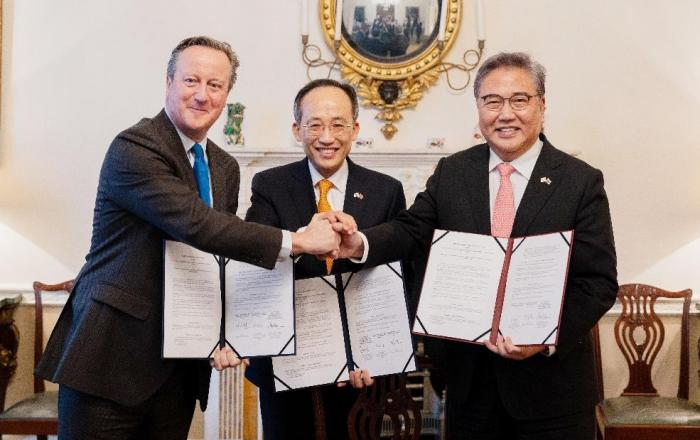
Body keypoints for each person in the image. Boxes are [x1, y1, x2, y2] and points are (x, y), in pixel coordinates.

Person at [36, 36, 346, 440]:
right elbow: (198, 225)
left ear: (226, 95)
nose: (202, 95)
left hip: (179, 369)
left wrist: (228, 333)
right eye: (191, 81)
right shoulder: (136, 146)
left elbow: (219, 259)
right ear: (168, 83)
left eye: (215, 85)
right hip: (110, 362)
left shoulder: (224, 166)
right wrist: (300, 241)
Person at [338, 52, 618, 439]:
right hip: (470, 389)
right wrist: (359, 243)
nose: (505, 114)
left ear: (542, 105)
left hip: (552, 393)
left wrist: (544, 339)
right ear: (478, 108)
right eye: (492, 101)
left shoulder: (579, 181)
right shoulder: (453, 172)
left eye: (519, 100)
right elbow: (410, 230)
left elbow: (598, 283)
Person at [240, 78, 407, 439]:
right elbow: (255, 257)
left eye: (338, 125)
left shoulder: (386, 191)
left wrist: (379, 357)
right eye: (314, 125)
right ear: (297, 130)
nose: (326, 137)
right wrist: (304, 239)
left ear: (355, 129)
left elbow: (397, 276)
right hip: (288, 364)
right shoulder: (269, 185)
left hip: (361, 368)